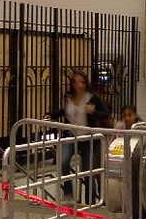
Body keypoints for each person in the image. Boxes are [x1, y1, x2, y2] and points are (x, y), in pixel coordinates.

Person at [46, 70, 111, 205]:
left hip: (88, 137)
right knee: (63, 161)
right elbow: (66, 111)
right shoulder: (69, 97)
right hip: (71, 135)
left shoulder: (92, 98)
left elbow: (106, 114)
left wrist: (94, 111)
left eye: (81, 82)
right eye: (75, 82)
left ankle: (90, 201)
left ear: (86, 83)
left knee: (88, 171)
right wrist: (51, 115)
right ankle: (68, 192)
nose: (78, 85)